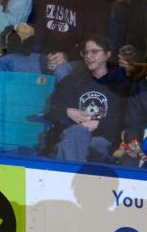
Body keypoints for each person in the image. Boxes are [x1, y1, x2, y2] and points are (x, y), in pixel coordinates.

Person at [0, 0, 108, 82]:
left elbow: (96, 39)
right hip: (47, 58)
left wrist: (68, 55)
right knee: (4, 62)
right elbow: (40, 29)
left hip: (77, 59)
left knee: (61, 72)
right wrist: (17, 34)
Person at [44, 34, 128, 163]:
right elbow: (52, 111)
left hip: (102, 144)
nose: (88, 56)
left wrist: (98, 124)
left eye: (94, 52)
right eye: (86, 53)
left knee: (73, 137)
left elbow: (125, 119)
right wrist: (67, 112)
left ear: (107, 54)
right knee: (75, 134)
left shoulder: (118, 85)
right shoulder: (73, 81)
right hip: (71, 139)